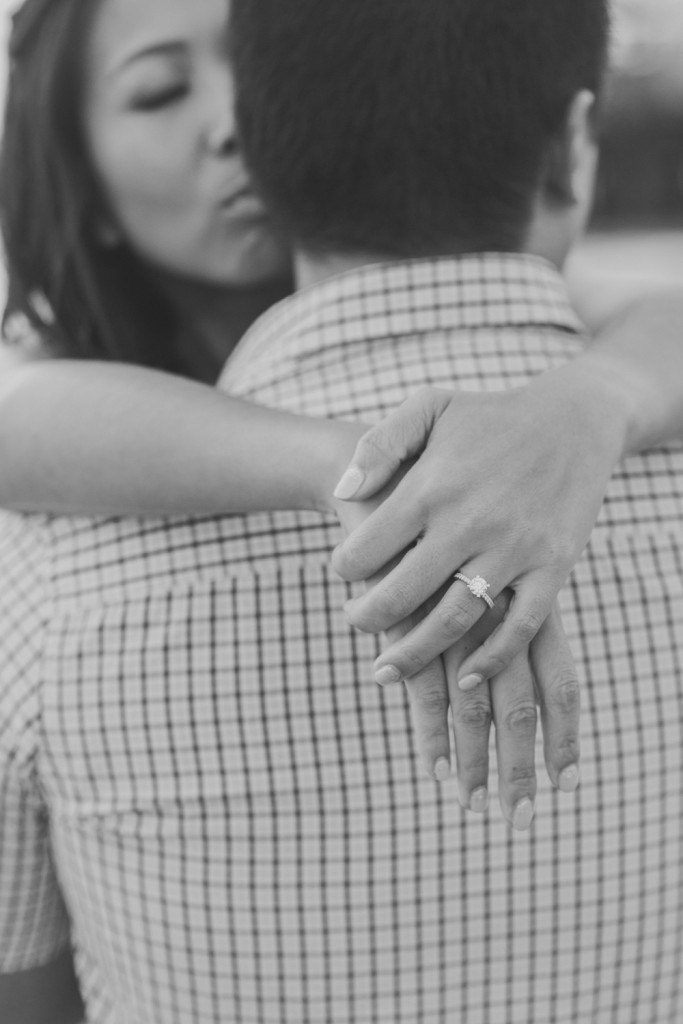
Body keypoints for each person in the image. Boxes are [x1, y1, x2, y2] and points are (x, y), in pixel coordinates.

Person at [0, 0, 682, 1019]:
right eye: (156, 90)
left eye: (239, 63)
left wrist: (586, 409)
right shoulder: (67, 464)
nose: (223, 123)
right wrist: (369, 472)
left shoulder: (51, 588)